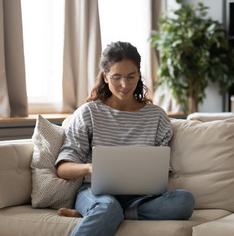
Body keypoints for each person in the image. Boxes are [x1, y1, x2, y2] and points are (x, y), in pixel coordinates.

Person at [55, 41, 195, 236]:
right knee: (107, 206)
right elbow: (63, 169)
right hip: (95, 193)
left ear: (139, 75)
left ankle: (108, 215)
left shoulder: (157, 117)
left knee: (183, 201)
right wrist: (91, 167)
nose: (125, 85)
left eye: (131, 77)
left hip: (140, 198)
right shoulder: (89, 113)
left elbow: (161, 170)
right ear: (105, 76)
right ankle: (103, 212)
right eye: (116, 77)